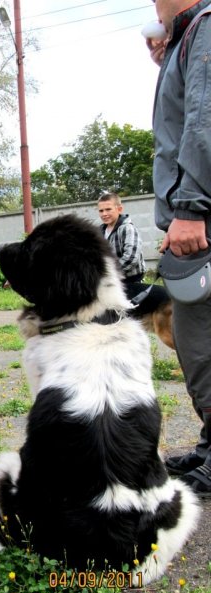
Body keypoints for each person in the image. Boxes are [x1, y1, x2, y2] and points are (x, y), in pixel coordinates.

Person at [150, 0, 211, 497]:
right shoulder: (190, 36)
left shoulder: (207, 27)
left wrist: (192, 205)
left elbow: (204, 119)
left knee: (201, 340)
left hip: (202, 218)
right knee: (197, 338)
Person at [97, 191, 170, 317]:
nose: (104, 214)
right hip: (111, 281)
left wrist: (108, 272)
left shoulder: (127, 228)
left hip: (130, 280)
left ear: (119, 209)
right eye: (101, 211)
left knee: (132, 316)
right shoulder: (100, 231)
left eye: (108, 209)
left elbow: (131, 258)